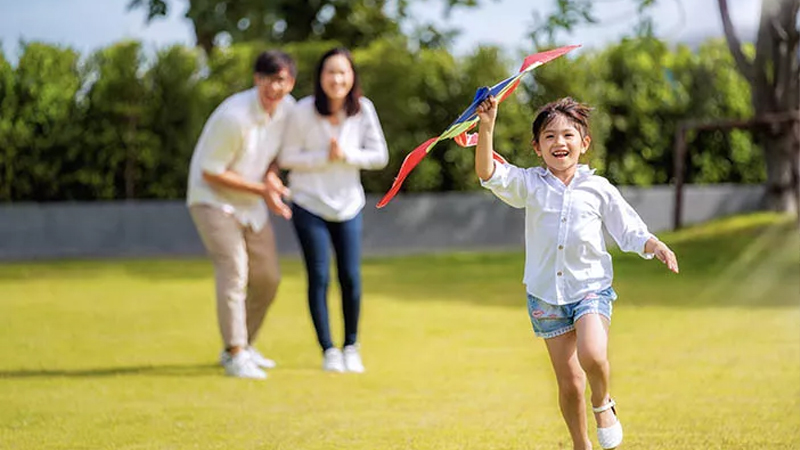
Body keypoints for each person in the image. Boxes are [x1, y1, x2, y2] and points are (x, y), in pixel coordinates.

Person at [474, 96, 679, 449]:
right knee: (569, 382)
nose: (559, 142)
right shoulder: (530, 184)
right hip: (545, 295)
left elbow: (629, 229)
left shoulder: (598, 189)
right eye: (549, 137)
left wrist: (655, 245)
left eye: (568, 135)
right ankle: (580, 444)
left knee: (593, 354)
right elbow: (488, 173)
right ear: (537, 147)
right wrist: (487, 125)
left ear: (584, 144)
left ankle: (603, 404)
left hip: (590, 288)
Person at [187, 50, 296, 379]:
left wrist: (272, 178)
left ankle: (243, 345)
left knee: (268, 279)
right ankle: (235, 353)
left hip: (251, 203)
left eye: (279, 80)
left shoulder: (288, 111)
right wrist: (263, 191)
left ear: (290, 83)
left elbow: (275, 157)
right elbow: (210, 172)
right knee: (235, 270)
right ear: (255, 79)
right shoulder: (233, 117)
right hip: (211, 200)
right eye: (265, 78)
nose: (272, 87)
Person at [279, 47, 389, 373]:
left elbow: (379, 156)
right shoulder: (302, 111)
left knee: (351, 277)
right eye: (330, 72)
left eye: (343, 72)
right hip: (308, 202)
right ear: (320, 77)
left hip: (348, 204)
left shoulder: (362, 110)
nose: (337, 79)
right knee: (319, 276)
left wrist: (346, 155)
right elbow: (286, 157)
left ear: (352, 76)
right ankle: (328, 350)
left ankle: (351, 345)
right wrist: (321, 158)